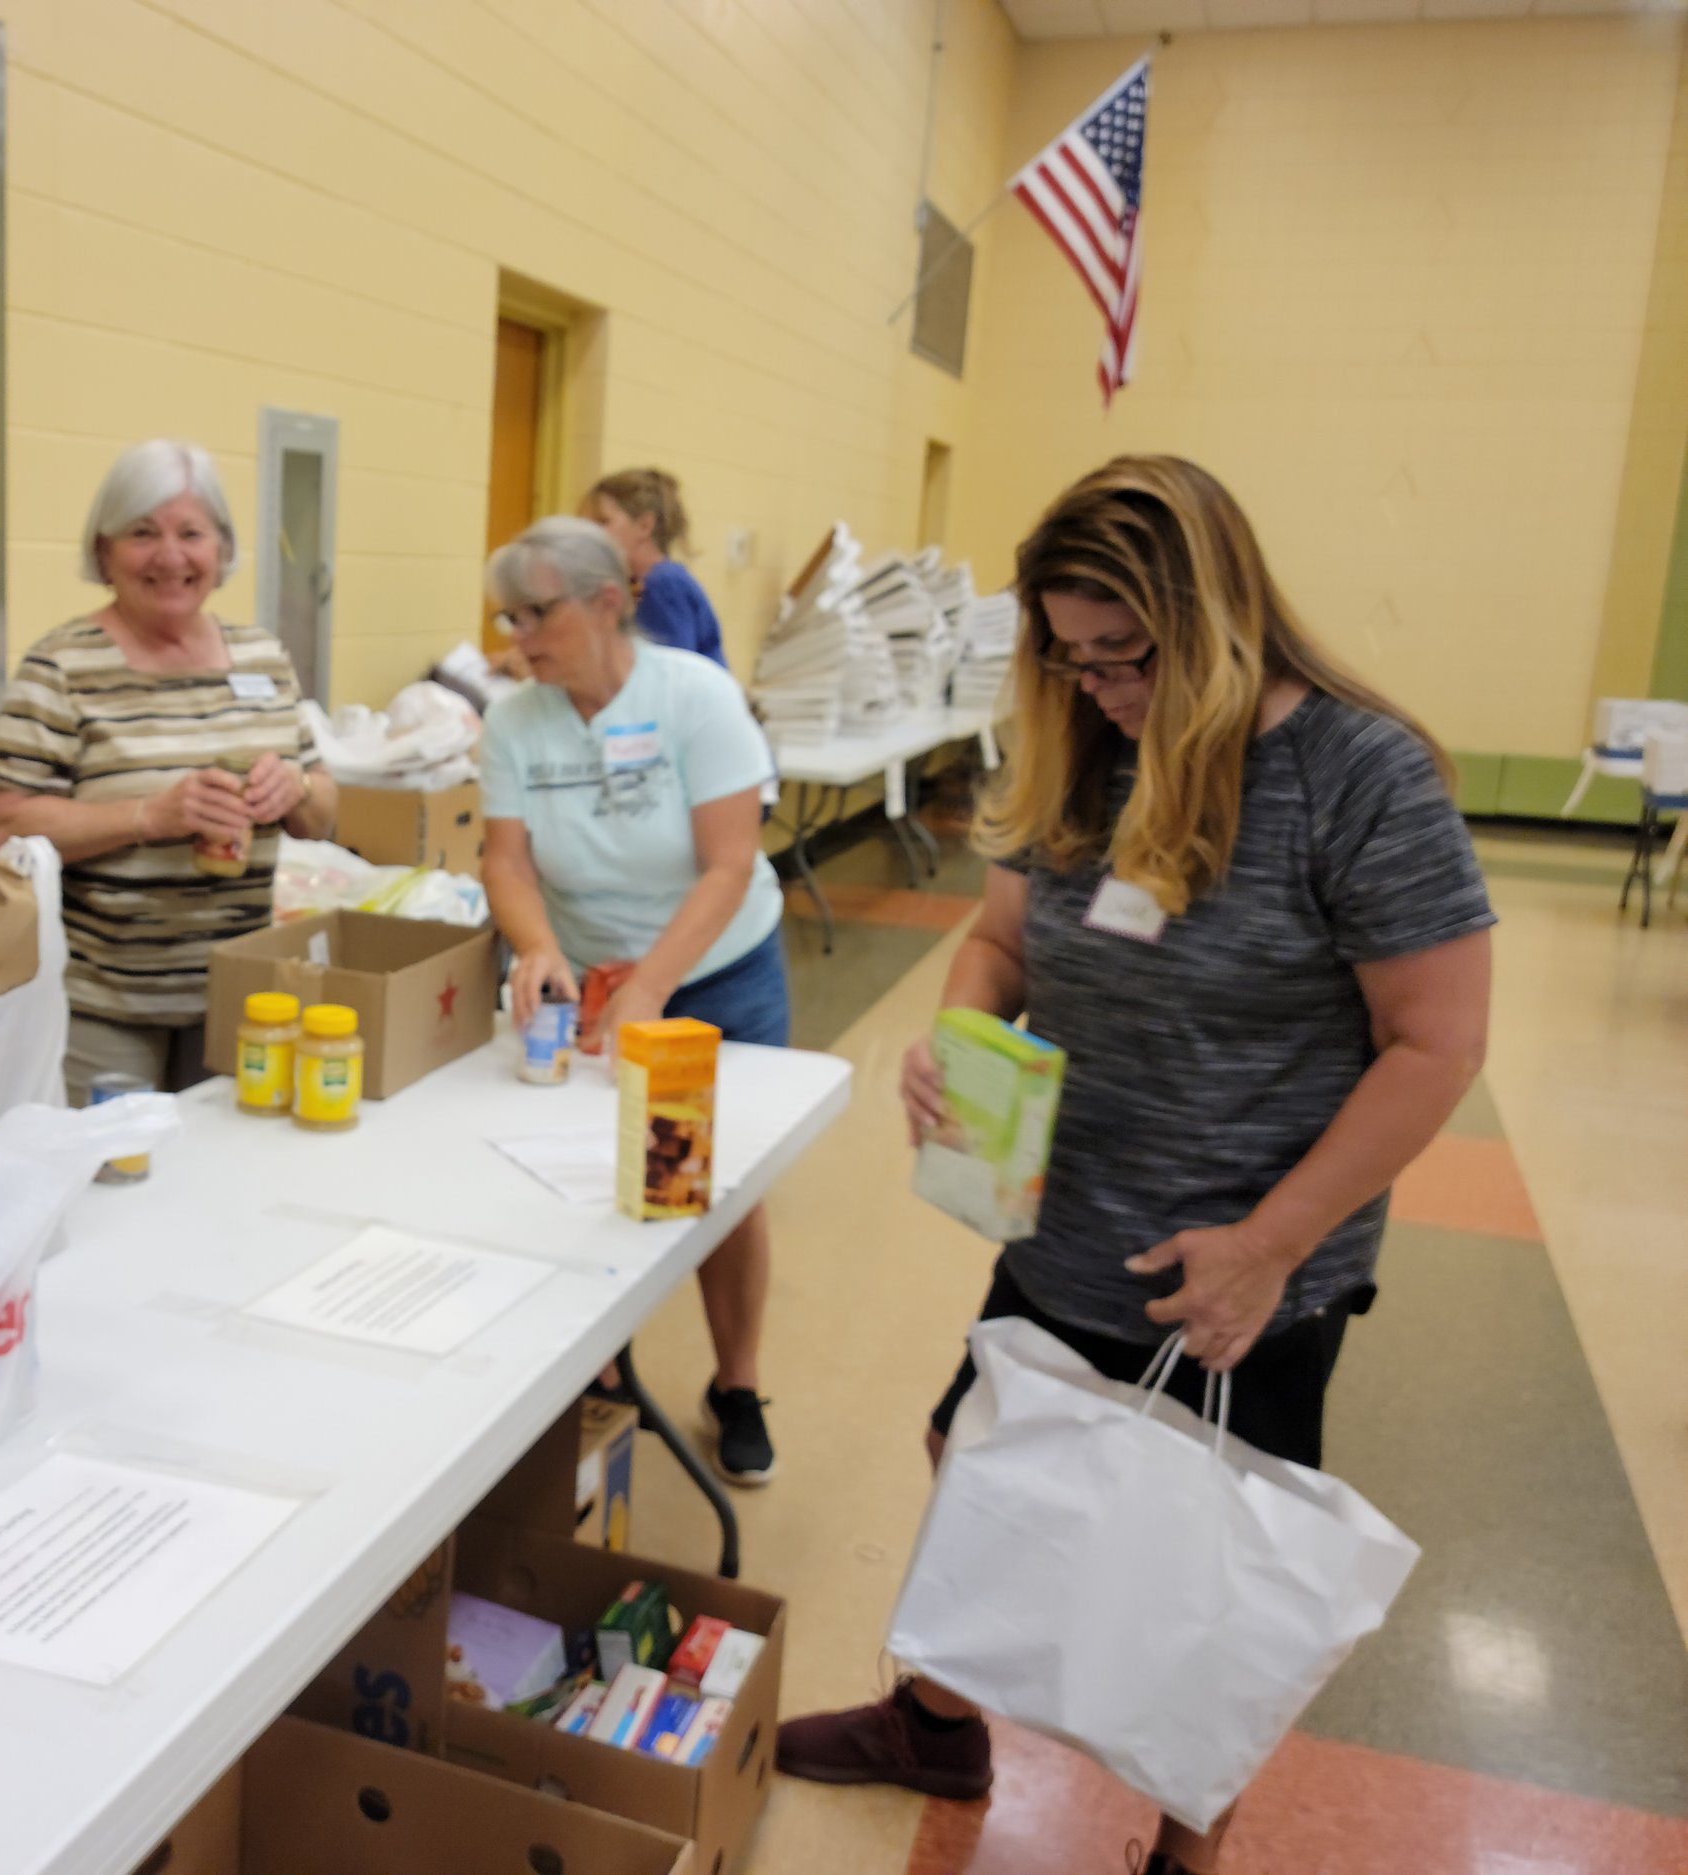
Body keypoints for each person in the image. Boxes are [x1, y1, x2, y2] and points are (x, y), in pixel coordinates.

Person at [776, 458, 1493, 1875]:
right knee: (972, 1451)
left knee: (1203, 1568)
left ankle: (1188, 1846)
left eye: (1130, 655)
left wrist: (1275, 1241)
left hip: (1238, 1264)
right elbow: (999, 942)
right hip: (1064, 1213)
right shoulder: (1082, 752)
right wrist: (960, 1040)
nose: (1101, 686)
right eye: (1072, 655)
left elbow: (1435, 1042)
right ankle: (937, 1721)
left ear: (1220, 622)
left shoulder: (1359, 774)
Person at [479, 516, 789, 1484]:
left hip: (711, 970)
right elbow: (506, 861)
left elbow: (729, 863)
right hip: (590, 979)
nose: (517, 637)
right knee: (580, 1175)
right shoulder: (514, 720)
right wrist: (538, 951)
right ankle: (603, 1368)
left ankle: (735, 1384)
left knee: (715, 1184)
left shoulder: (693, 698)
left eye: (538, 613)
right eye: (508, 616)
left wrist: (653, 985)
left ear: (608, 601)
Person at [0, 440, 336, 1102]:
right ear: (104, 551)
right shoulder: (61, 668)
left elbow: (323, 814)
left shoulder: (264, 657)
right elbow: (6, 830)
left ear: (222, 550)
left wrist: (299, 787)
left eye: (191, 533)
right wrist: (149, 816)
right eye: (143, 533)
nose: (170, 556)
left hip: (244, 994)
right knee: (116, 1184)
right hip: (107, 1003)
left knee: (225, 1181)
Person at [584, 468, 727, 667]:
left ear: (645, 526)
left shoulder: (664, 584)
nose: (590, 533)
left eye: (603, 522)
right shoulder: (640, 583)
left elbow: (670, 676)